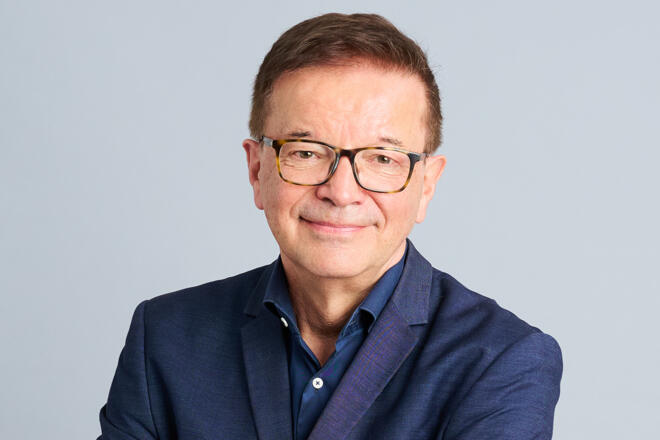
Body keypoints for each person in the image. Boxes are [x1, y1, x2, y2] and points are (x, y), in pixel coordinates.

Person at [98, 13, 562, 440]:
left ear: (426, 185)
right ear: (257, 171)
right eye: (305, 152)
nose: (341, 191)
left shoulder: (502, 361)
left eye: (383, 158)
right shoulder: (165, 339)